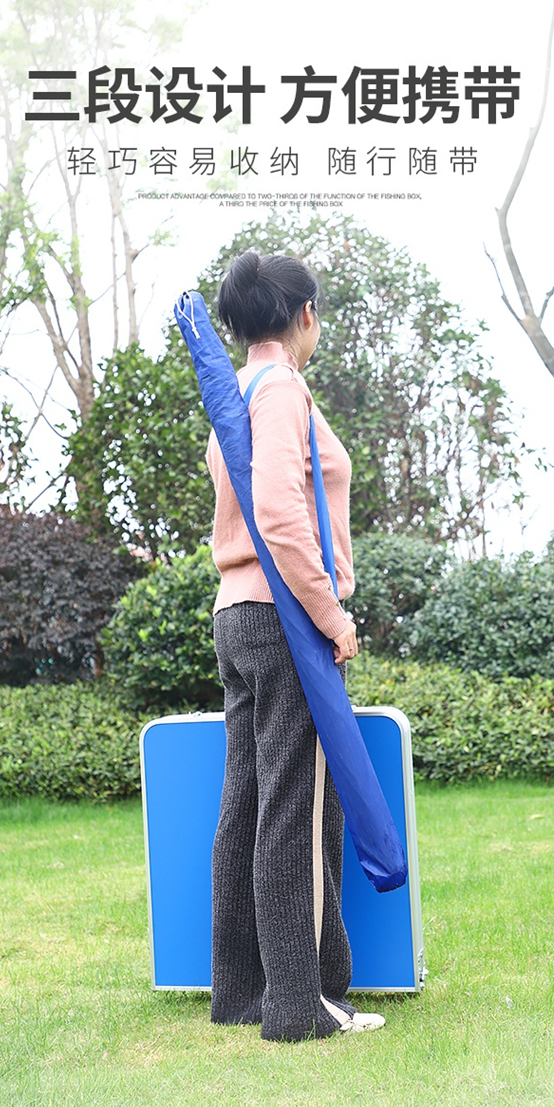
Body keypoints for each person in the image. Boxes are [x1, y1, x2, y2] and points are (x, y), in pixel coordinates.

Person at [206, 249, 385, 1042]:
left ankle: (242, 992)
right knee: (296, 809)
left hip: (238, 614)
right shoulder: (281, 389)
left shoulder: (238, 390)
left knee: (248, 803)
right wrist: (331, 616)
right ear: (305, 314)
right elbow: (280, 513)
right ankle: (298, 1005)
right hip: (284, 619)